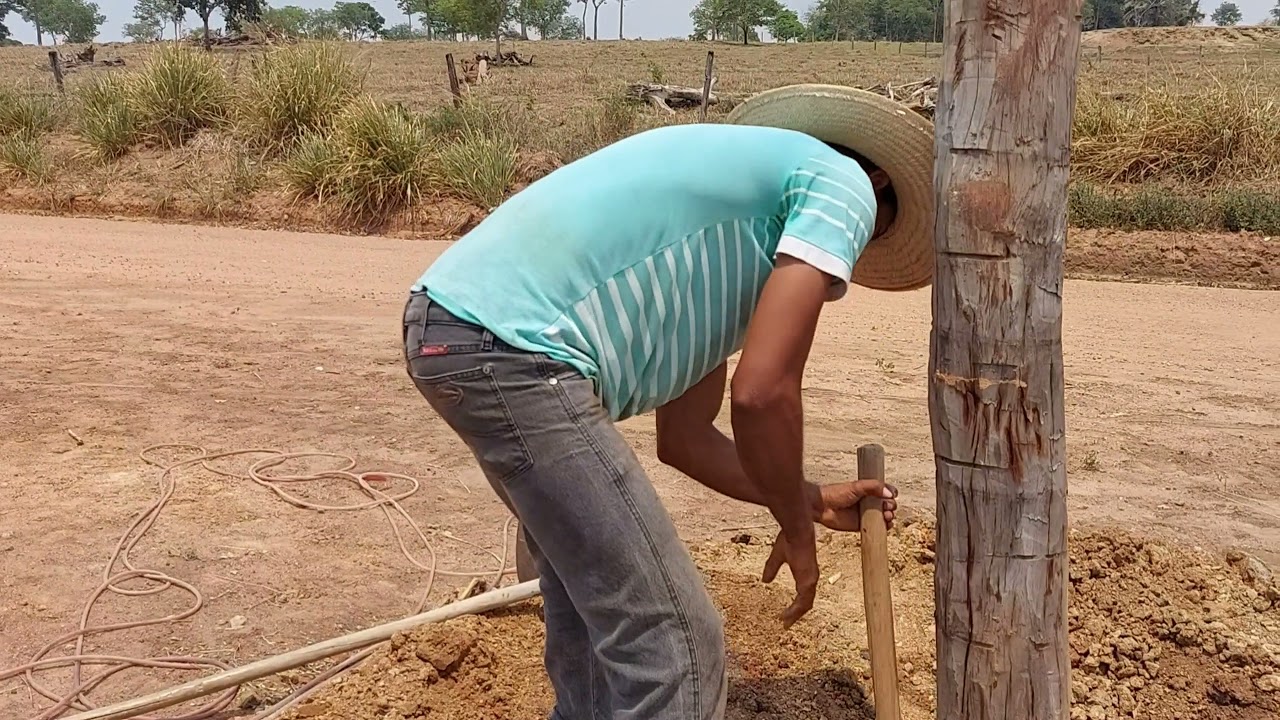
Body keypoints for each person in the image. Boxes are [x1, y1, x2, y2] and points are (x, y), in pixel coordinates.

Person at [401, 84, 935, 720]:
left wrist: (809, 499)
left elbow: (686, 438)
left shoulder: (723, 240)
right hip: (515, 352)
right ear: (876, 182)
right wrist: (795, 528)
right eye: (870, 232)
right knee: (674, 647)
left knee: (592, 626)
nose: (849, 255)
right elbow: (762, 395)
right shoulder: (842, 181)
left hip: (460, 332)